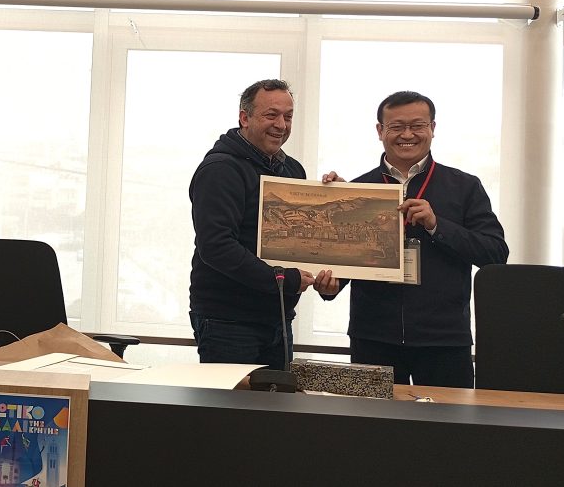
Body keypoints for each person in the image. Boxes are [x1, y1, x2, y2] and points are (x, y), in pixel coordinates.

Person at [317, 90, 508, 388]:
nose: (407, 134)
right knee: (372, 419)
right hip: (373, 337)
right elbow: (345, 264)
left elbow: (495, 253)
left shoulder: (464, 187)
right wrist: (329, 286)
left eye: (417, 125)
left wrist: (436, 225)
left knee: (448, 419)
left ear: (433, 128)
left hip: (444, 340)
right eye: (396, 126)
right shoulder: (359, 189)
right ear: (380, 131)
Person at [189, 78, 327, 367]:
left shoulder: (292, 170)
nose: (281, 125)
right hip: (228, 321)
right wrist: (282, 279)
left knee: (276, 397)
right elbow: (216, 247)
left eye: (288, 116)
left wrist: (334, 195)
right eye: (271, 115)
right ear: (244, 117)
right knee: (231, 398)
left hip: (278, 317)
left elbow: (303, 238)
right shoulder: (220, 170)